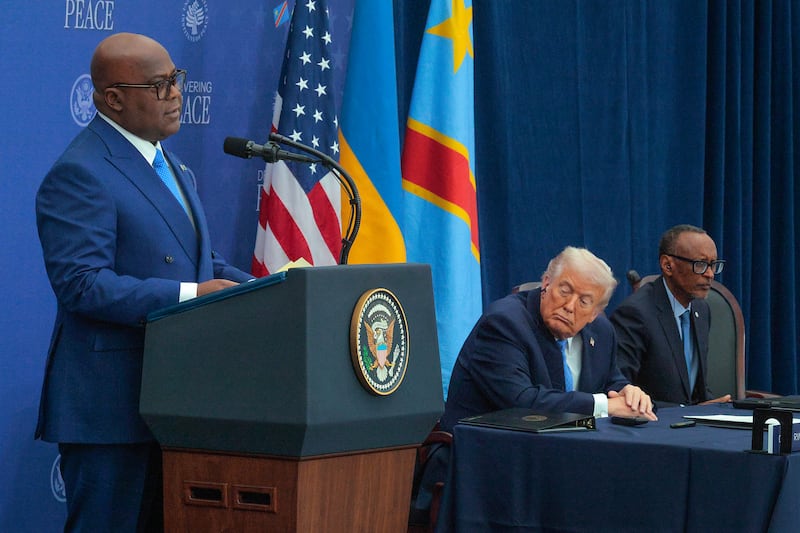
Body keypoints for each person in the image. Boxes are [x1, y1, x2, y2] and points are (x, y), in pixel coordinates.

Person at [35, 33, 253, 532]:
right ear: (113, 98)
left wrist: (276, 286)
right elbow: (81, 284)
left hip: (173, 400)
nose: (176, 94)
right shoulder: (80, 172)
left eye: (176, 79)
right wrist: (189, 299)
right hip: (111, 410)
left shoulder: (164, 160)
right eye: (159, 85)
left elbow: (201, 262)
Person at [440, 246, 657, 432]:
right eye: (565, 291)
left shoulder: (601, 331)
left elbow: (610, 380)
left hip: (561, 449)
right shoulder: (504, 323)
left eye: (584, 301)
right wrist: (605, 406)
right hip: (484, 454)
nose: (569, 306)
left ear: (594, 313)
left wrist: (626, 393)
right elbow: (521, 402)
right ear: (546, 284)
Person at [610, 224, 732, 406]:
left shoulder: (701, 310)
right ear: (668, 265)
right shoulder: (636, 314)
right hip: (652, 427)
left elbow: (695, 389)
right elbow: (620, 391)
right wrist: (689, 411)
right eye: (700, 264)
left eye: (714, 265)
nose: (710, 274)